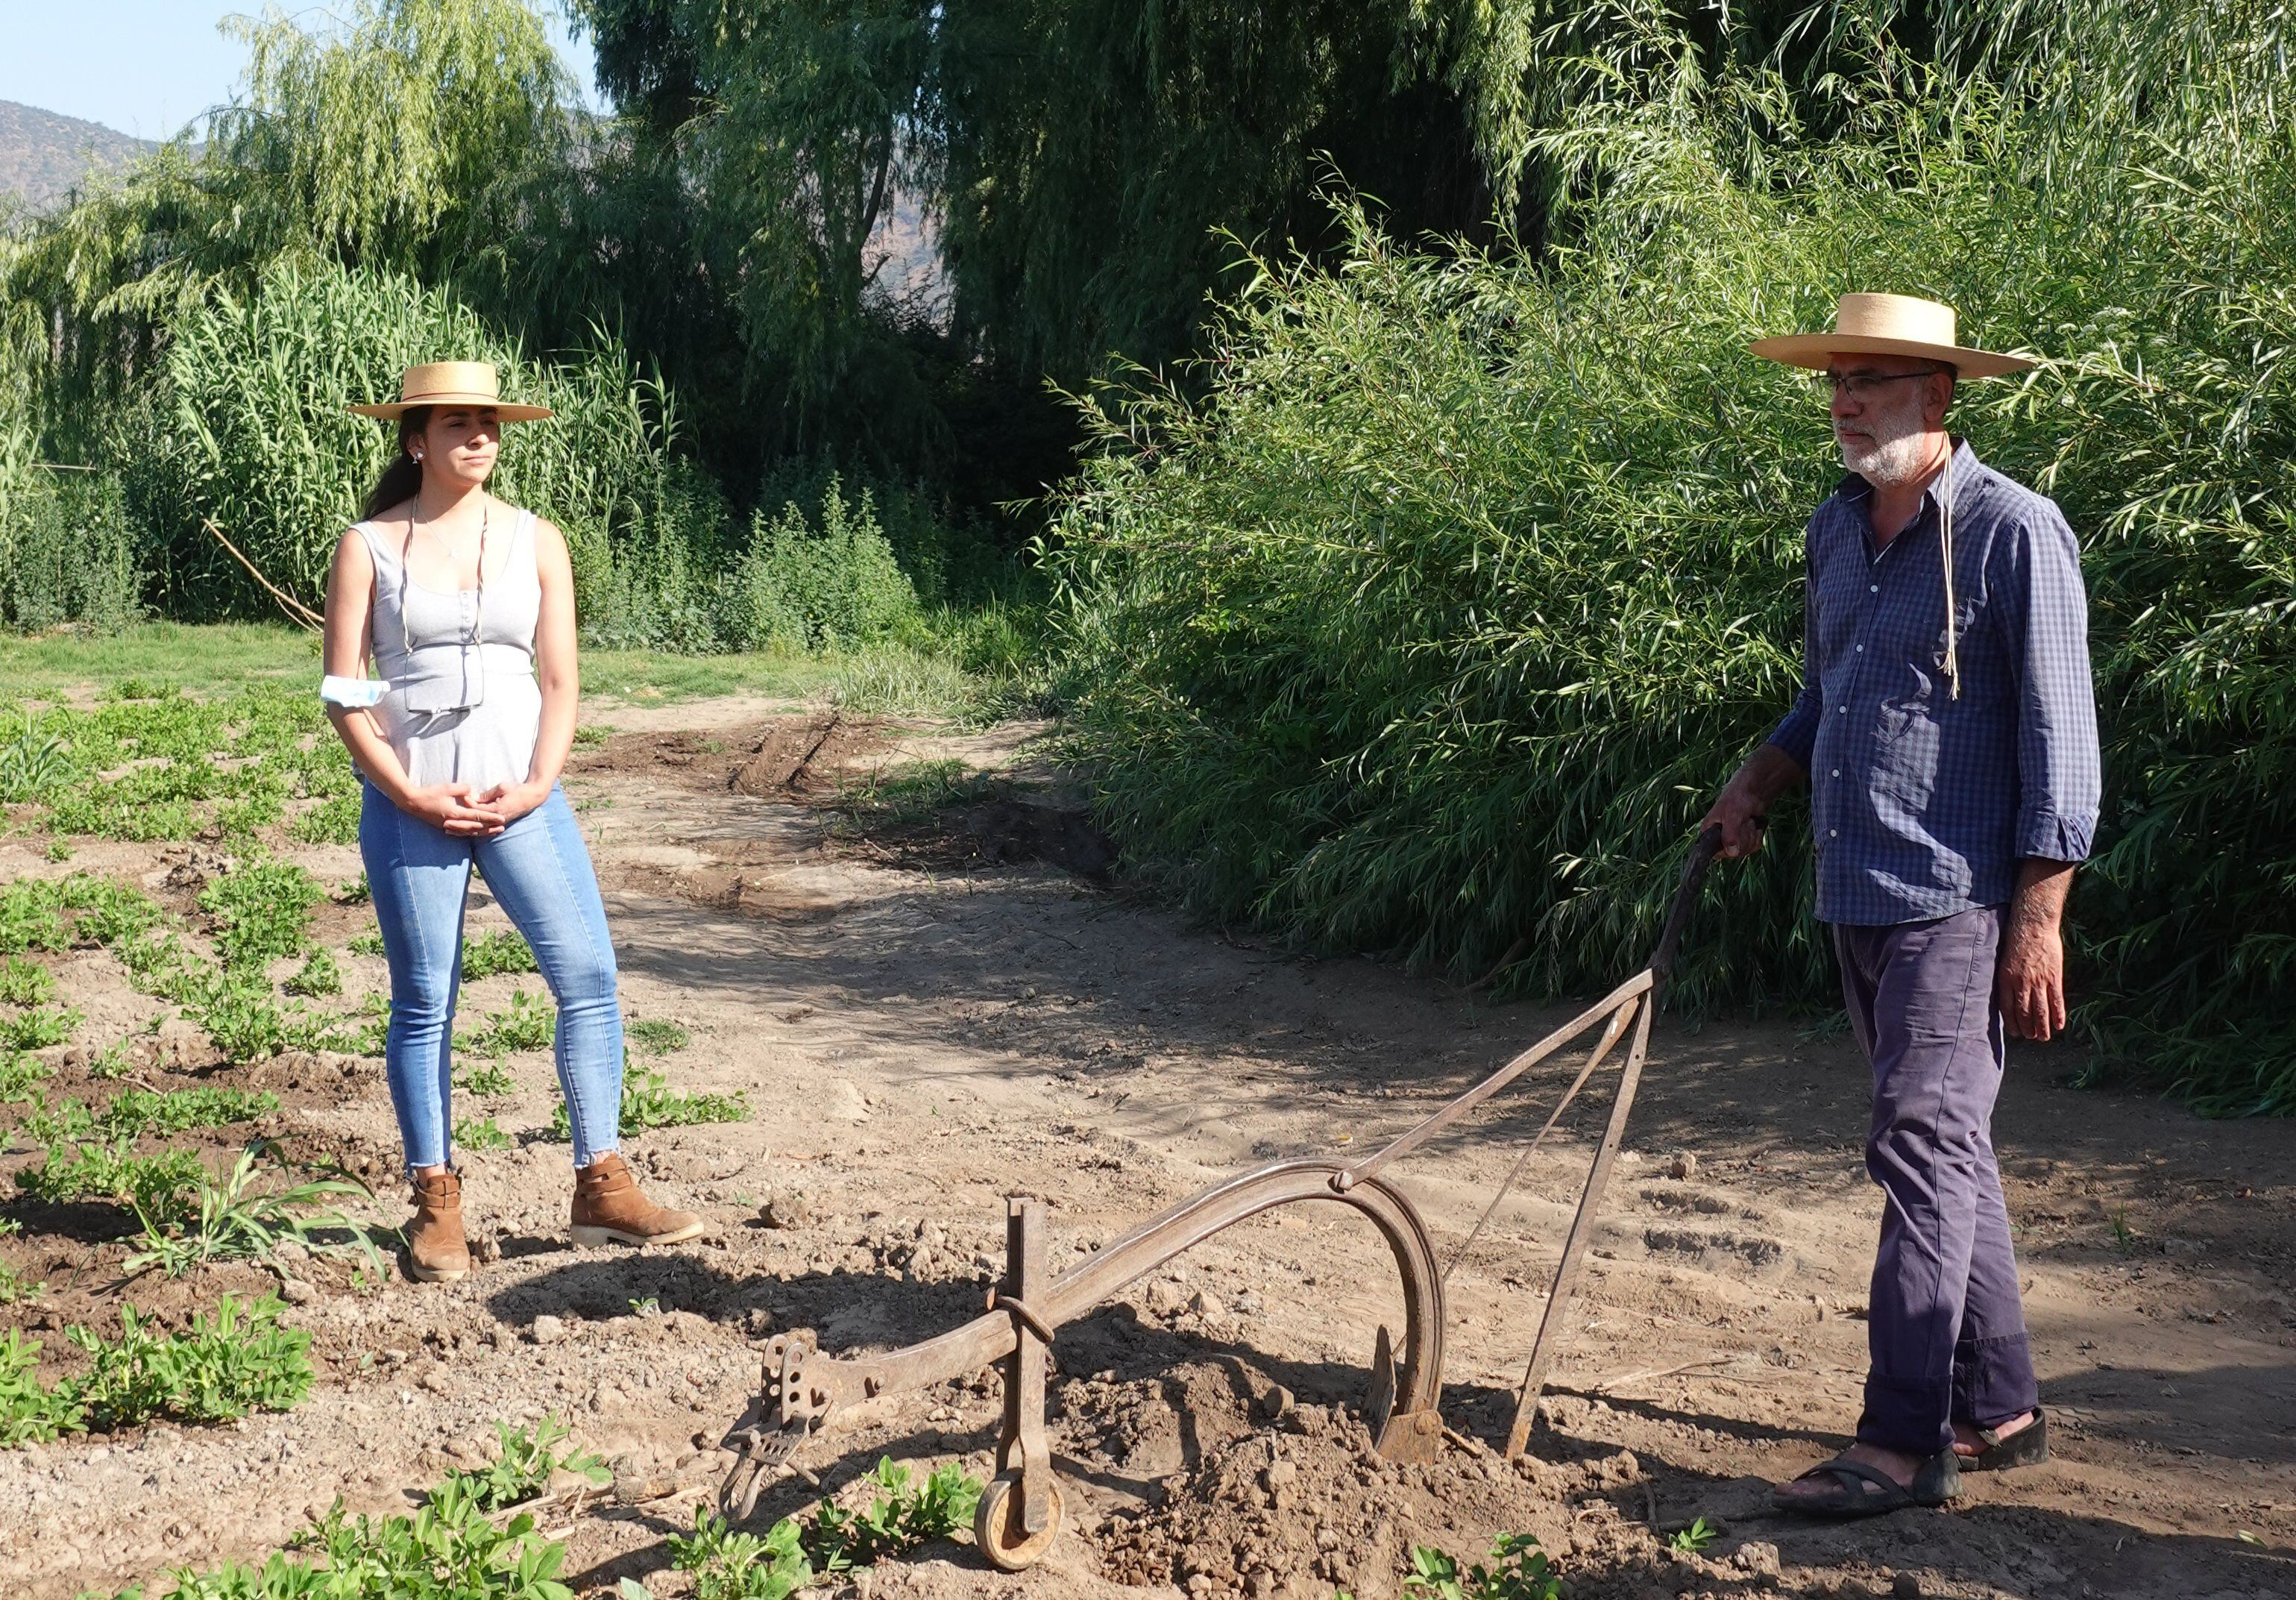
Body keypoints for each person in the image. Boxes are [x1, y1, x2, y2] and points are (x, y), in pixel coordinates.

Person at [1702, 295, 2100, 1517]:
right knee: (1947, 1150)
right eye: (1835, 381)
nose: (1843, 402)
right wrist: (1754, 781)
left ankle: (1899, 1439)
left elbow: (2059, 741)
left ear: (1935, 399)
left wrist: (2036, 919)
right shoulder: (1835, 533)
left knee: (1918, 1148)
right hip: (1854, 889)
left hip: (1958, 901)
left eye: (1871, 383)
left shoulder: (2010, 535)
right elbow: (1827, 699)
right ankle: (2001, 1404)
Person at [324, 360, 702, 1283]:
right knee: (425, 1002)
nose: (479, 438)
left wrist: (539, 782)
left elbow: (562, 680)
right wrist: (408, 792)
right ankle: (436, 1204)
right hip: (414, 807)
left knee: (588, 974)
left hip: (520, 800)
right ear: (417, 439)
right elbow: (343, 695)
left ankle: (602, 1184)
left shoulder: (538, 539)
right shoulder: (367, 545)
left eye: (489, 424)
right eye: (457, 425)